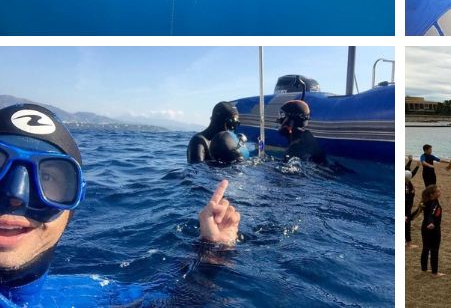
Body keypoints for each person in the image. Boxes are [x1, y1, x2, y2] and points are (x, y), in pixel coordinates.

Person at [0, 104, 239, 306]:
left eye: (46, 178)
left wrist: (212, 252)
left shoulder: (99, 294)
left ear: (74, 204)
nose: (16, 195)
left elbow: (175, 299)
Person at [408, 185, 445, 277]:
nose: (439, 193)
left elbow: (417, 212)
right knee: (434, 250)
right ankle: (435, 273)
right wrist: (431, 223)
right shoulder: (434, 204)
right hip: (433, 229)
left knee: (426, 248)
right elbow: (431, 215)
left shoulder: (425, 202)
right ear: (432, 194)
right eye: (438, 191)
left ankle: (424, 269)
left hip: (424, 227)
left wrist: (408, 218)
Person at [277, 99, 326, 164]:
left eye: (283, 115)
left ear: (291, 121)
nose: (278, 120)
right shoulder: (307, 137)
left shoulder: (294, 149)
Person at [405, 170, 417, 249]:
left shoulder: (408, 183)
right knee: (407, 225)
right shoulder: (406, 185)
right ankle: (408, 244)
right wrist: (412, 193)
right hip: (406, 208)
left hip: (408, 207)